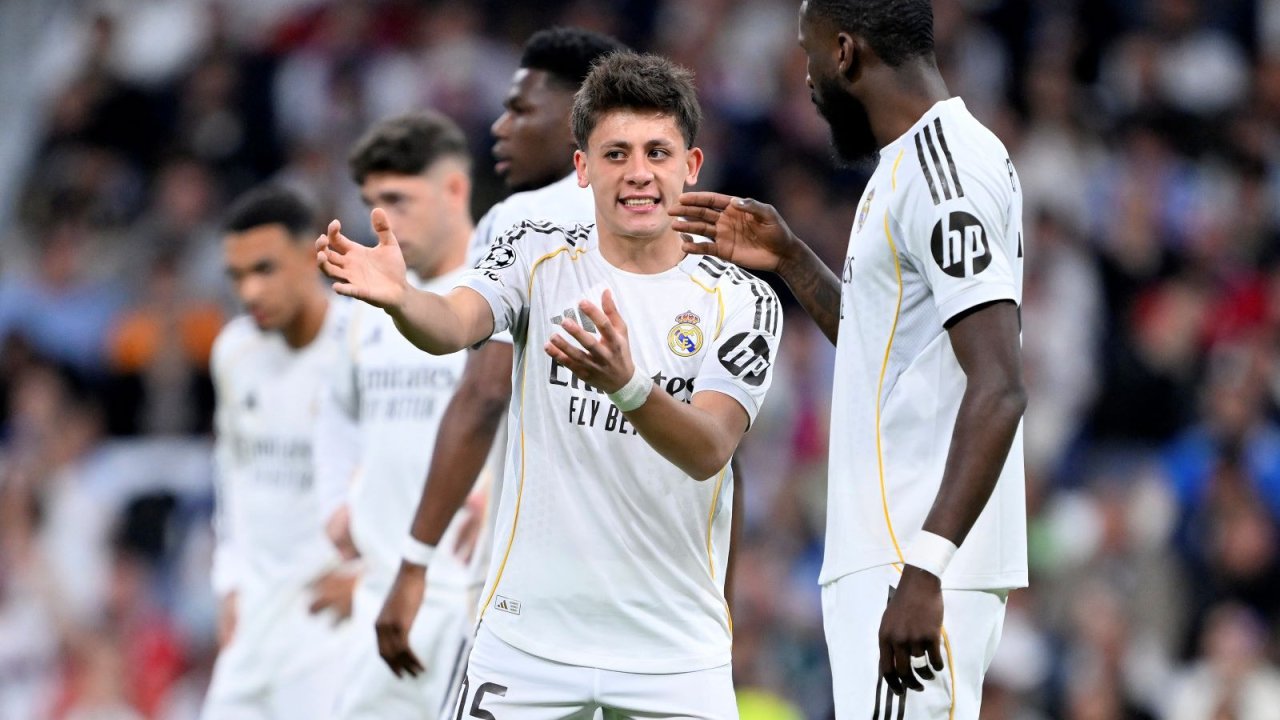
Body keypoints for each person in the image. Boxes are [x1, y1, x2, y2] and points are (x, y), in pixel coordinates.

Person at [317, 52, 781, 719]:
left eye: (657, 152)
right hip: (525, 641)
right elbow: (453, 323)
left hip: (674, 650)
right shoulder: (535, 254)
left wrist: (627, 385)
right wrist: (403, 299)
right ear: (583, 167)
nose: (639, 172)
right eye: (616, 154)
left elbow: (710, 447)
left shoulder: (740, 299)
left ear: (692, 165)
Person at [672, 1, 1028, 717]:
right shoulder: (904, 168)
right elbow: (887, 351)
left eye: (807, 53)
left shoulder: (946, 171)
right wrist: (792, 259)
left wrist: (925, 569)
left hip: (913, 555)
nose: (804, 77)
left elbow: (1000, 386)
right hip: (890, 555)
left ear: (844, 51)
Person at [369, 26, 625, 690]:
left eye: (519, 109)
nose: (499, 126)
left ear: (576, 120)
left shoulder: (521, 220)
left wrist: (415, 561)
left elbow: (484, 394)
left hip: (536, 584)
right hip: (654, 593)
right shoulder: (674, 224)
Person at [311, 111, 485, 720]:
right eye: (372, 203)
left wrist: (502, 483)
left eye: (400, 201)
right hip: (383, 592)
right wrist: (335, 502)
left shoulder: (497, 292)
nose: (385, 219)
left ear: (454, 190)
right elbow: (335, 409)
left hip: (473, 595)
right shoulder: (359, 302)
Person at [204, 185, 351, 719]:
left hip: (328, 620)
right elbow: (231, 471)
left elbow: (404, 467)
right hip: (254, 617)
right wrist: (229, 580)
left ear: (312, 256)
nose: (250, 291)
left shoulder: (361, 342)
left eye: (265, 269)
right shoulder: (233, 350)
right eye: (237, 276)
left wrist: (372, 576)